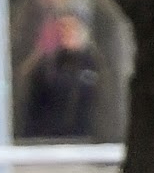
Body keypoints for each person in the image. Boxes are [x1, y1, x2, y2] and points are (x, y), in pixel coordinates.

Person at [21, 11, 100, 139]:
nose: (65, 33)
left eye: (71, 28)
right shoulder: (46, 69)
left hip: (87, 141)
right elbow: (34, 110)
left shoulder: (94, 66)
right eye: (61, 29)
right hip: (50, 141)